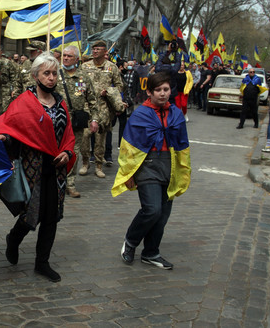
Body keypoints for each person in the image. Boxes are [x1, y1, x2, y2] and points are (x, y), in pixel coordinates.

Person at [0, 54, 76, 283]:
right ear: (35, 75)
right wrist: (3, 138)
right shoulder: (24, 102)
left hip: (56, 169)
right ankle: (13, 239)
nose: (51, 77)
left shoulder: (60, 103)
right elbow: (10, 127)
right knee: (31, 213)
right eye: (46, 73)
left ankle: (42, 263)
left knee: (52, 216)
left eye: (54, 73)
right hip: (32, 167)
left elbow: (68, 134)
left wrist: (67, 152)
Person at [113, 72, 190, 270]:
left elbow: (182, 144)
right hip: (146, 165)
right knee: (152, 209)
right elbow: (128, 146)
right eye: (158, 90)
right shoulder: (140, 114)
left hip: (169, 165)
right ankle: (130, 241)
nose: (163, 94)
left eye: (166, 89)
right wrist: (129, 173)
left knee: (163, 214)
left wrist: (183, 169)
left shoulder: (176, 113)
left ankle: (151, 252)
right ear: (149, 92)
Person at [58, 45, 98, 198]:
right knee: (56, 152)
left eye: (69, 56)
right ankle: (57, 182)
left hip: (76, 123)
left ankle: (70, 183)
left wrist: (94, 119)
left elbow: (92, 100)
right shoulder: (56, 75)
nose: (66, 58)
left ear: (76, 59)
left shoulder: (83, 77)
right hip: (58, 121)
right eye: (64, 56)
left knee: (73, 153)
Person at [80, 40, 124, 178]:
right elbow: (79, 83)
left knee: (100, 138)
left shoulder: (112, 67)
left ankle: (98, 165)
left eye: (98, 49)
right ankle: (85, 162)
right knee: (85, 136)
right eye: (93, 49)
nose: (94, 51)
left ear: (105, 52)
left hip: (103, 108)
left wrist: (109, 92)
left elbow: (119, 86)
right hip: (87, 107)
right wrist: (80, 94)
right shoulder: (84, 66)